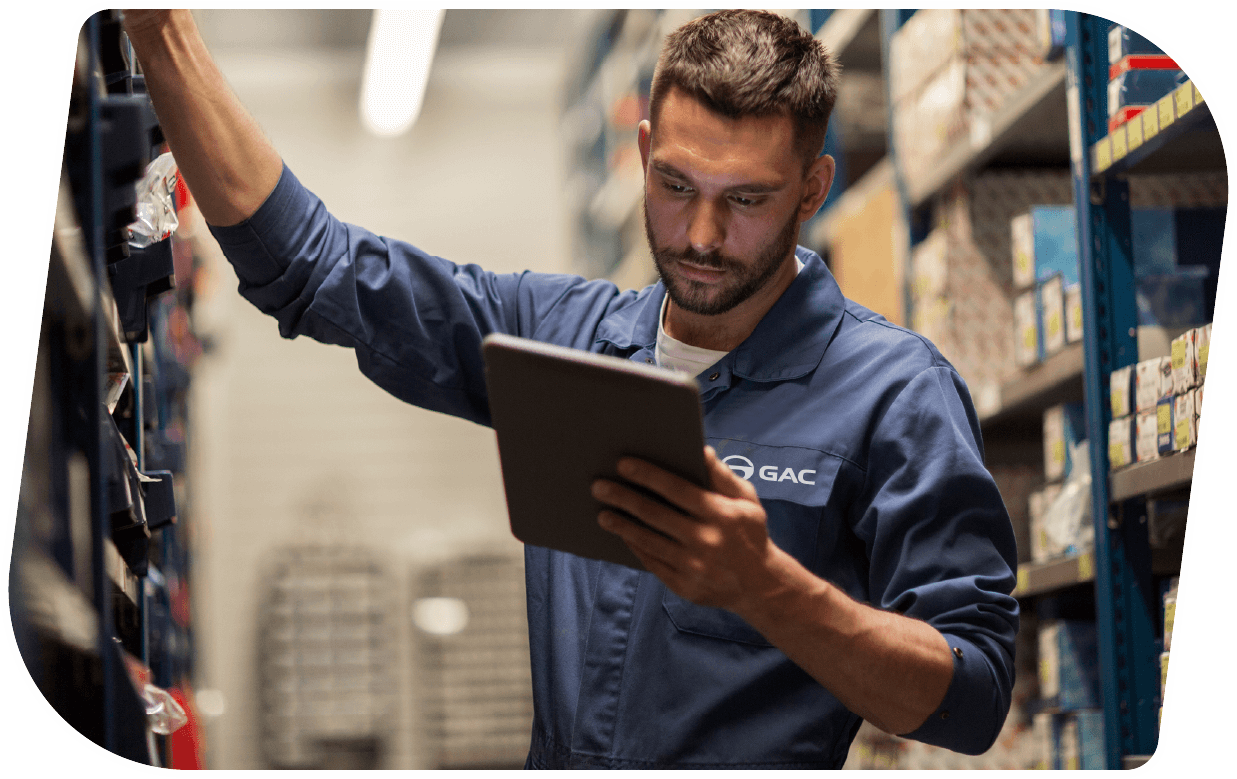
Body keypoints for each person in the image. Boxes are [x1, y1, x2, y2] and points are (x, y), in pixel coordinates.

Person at [122, 9, 1019, 769]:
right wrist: (157, 30)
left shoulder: (895, 391)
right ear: (641, 153)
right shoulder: (561, 340)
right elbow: (313, 268)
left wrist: (768, 587)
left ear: (811, 188)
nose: (700, 234)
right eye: (674, 185)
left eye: (746, 200)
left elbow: (970, 694)